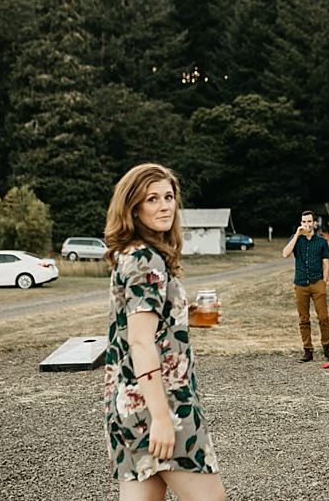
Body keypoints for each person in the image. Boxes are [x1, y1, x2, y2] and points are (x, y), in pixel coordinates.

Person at [103, 163, 225, 501]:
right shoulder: (146, 261)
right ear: (134, 208)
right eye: (152, 199)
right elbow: (140, 340)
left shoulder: (132, 255)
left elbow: (144, 324)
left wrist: (191, 317)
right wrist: (160, 418)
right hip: (161, 403)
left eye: (169, 197)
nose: (164, 206)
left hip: (128, 402)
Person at [282, 210, 329, 363]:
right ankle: (308, 350)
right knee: (304, 319)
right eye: (304, 222)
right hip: (300, 285)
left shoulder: (321, 242)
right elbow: (285, 254)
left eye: (309, 221)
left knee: (323, 318)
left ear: (314, 223)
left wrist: (323, 283)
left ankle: (327, 348)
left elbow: (326, 265)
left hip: (317, 283)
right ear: (301, 223)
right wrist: (296, 234)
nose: (306, 224)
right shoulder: (297, 240)